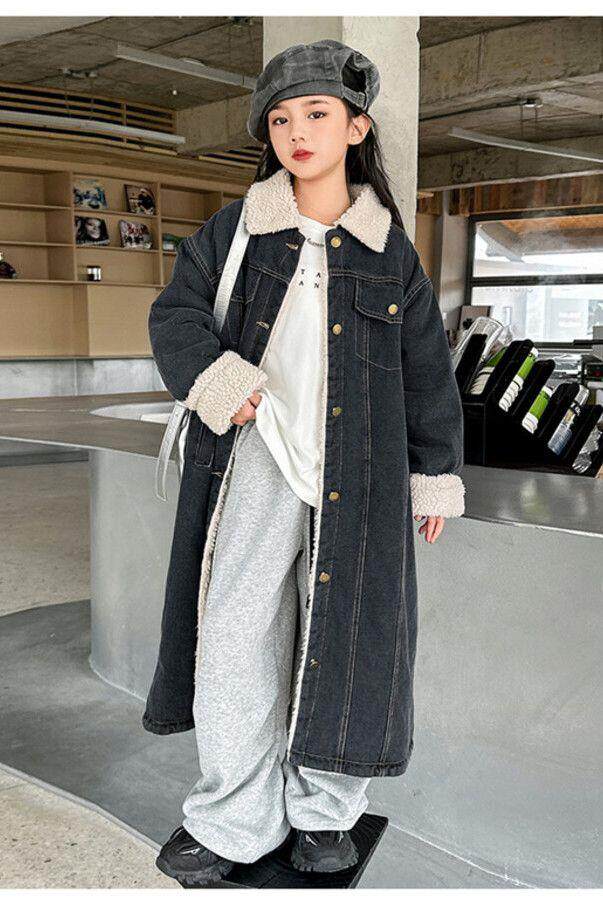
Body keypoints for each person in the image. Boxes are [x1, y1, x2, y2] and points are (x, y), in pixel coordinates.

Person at [147, 39, 466, 885]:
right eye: (281, 119)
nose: (296, 131)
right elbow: (175, 315)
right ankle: (233, 818)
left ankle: (324, 815)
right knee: (234, 642)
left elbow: (426, 371)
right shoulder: (235, 230)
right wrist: (218, 381)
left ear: (356, 127)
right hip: (254, 462)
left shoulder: (389, 250)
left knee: (351, 640)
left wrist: (434, 472)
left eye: (317, 113)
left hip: (360, 475)